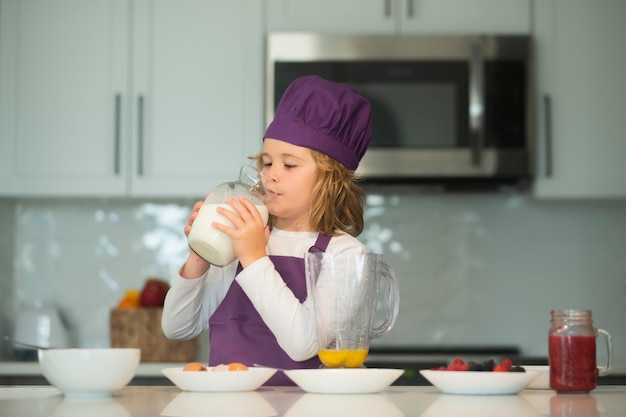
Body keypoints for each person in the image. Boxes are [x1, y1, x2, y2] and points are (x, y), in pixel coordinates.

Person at [161, 75, 372, 385]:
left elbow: (304, 344)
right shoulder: (238, 239)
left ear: (331, 179)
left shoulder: (345, 254)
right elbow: (177, 328)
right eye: (267, 162)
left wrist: (254, 258)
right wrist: (199, 257)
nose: (271, 175)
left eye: (289, 165)